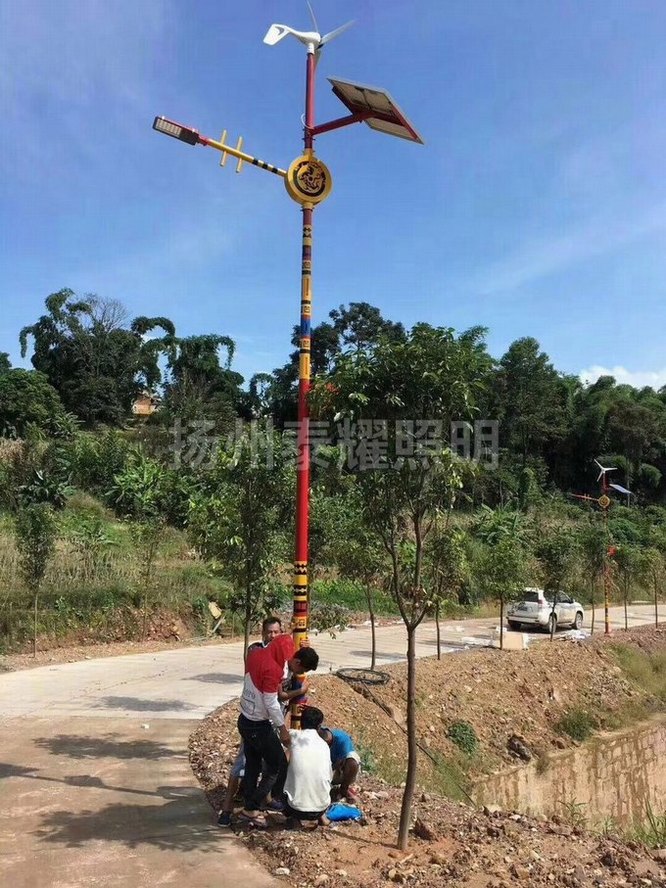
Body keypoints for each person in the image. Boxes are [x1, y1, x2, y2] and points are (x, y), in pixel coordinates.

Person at [237, 634, 319, 828]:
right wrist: (283, 730)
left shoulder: (256, 654)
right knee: (277, 763)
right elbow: (272, 703)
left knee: (253, 765)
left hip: (245, 718)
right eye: (302, 668)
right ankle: (253, 806)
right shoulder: (273, 669)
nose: (299, 672)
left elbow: (285, 639)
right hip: (258, 724)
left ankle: (250, 807)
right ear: (297, 661)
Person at [218, 616, 283, 827]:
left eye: (276, 632)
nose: (273, 635)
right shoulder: (256, 651)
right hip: (257, 720)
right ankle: (230, 809)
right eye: (269, 632)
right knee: (243, 763)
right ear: (263, 633)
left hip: (269, 719)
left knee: (257, 763)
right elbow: (273, 694)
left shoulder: (280, 655)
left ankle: (258, 805)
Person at [282, 707, 332, 829]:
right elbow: (329, 777)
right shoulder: (324, 745)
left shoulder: (294, 735)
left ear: (301, 723)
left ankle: (294, 819)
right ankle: (322, 818)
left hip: (295, 808)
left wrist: (288, 712)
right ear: (319, 726)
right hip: (321, 808)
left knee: (283, 762)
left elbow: (282, 734)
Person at [320, 725, 360, 802]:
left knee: (352, 761)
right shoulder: (318, 736)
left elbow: (340, 761)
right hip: (322, 770)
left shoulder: (341, 739)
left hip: (338, 769)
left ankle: (344, 788)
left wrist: (328, 773)